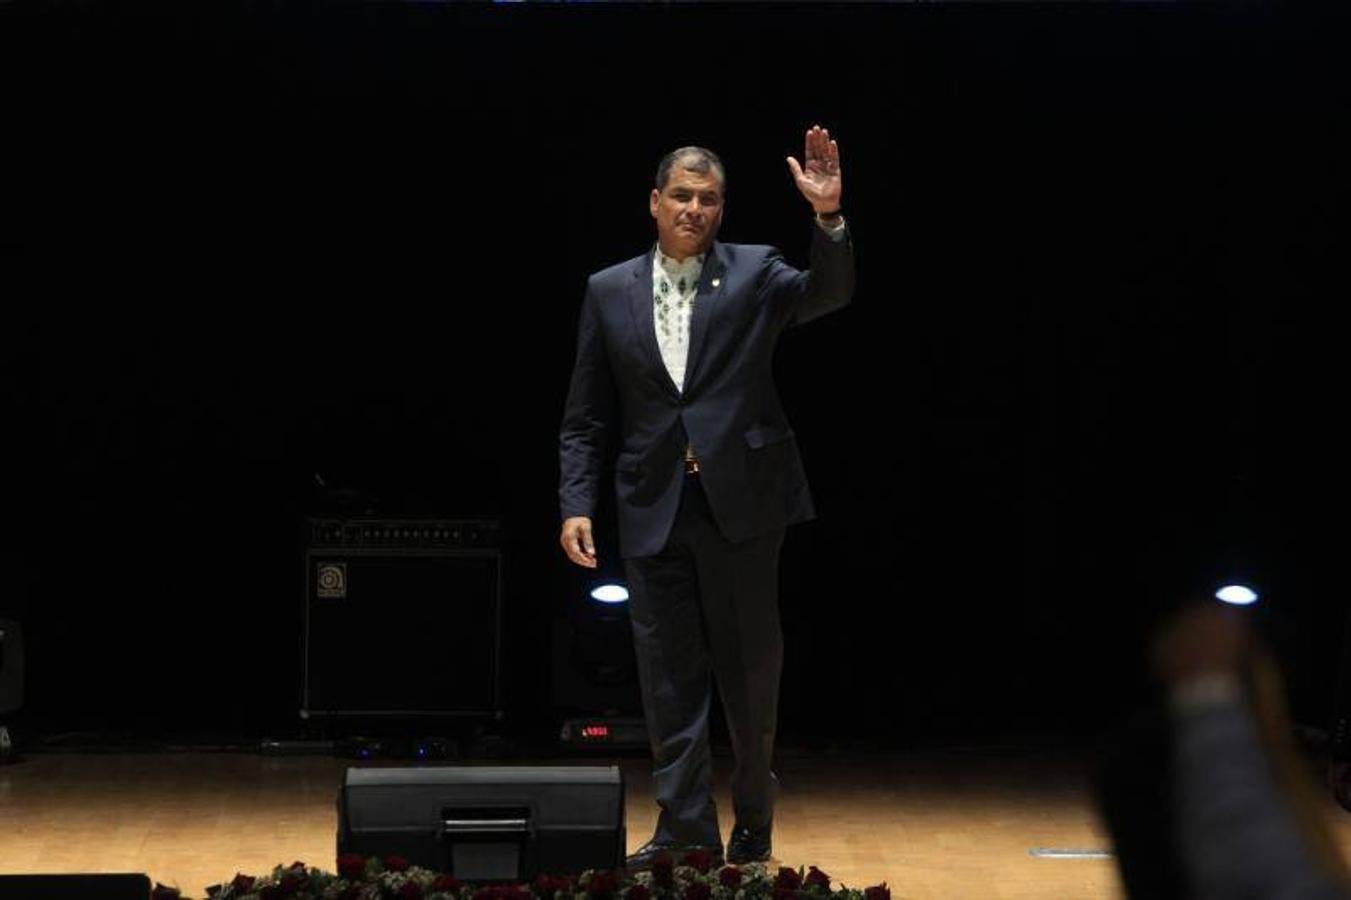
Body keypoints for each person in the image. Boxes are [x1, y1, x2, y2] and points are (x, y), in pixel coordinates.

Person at [558, 125, 854, 868]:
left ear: (722, 211)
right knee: (667, 680)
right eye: (681, 196)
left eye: (709, 199)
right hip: (652, 504)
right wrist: (575, 501)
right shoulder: (607, 288)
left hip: (744, 506)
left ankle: (752, 821)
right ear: (654, 202)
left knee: (750, 675)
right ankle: (685, 830)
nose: (694, 208)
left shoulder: (755, 272)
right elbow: (586, 413)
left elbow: (829, 292)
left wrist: (827, 218)